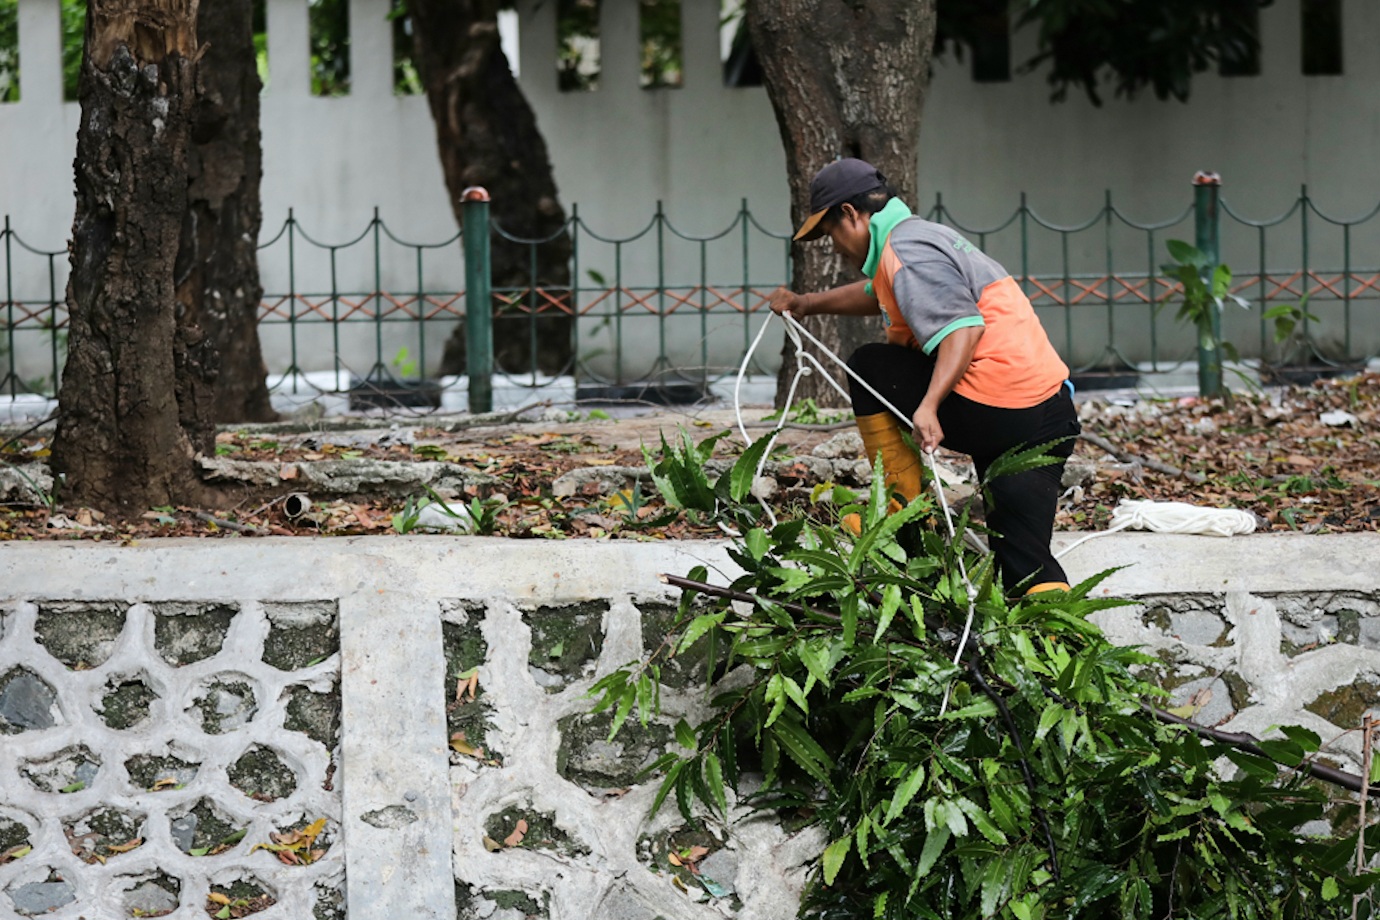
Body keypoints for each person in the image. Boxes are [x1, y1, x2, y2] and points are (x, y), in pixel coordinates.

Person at [768, 158, 1080, 596]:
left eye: (830, 232)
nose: (833, 246)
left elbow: (963, 328)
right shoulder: (923, 238)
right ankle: (1060, 640)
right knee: (1024, 559)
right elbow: (877, 292)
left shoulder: (905, 250)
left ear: (851, 214)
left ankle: (904, 517)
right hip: (1049, 416)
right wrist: (807, 303)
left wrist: (930, 405)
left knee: (870, 364)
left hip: (993, 407)